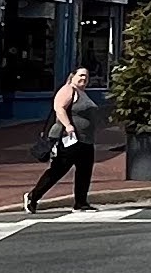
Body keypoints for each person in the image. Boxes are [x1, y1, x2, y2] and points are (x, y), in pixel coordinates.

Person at [26, 66, 101, 213]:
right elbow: (59, 108)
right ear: (72, 76)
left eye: (86, 76)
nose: (84, 79)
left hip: (86, 140)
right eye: (80, 75)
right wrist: (68, 125)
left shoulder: (82, 92)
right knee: (58, 170)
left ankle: (81, 203)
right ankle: (32, 197)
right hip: (69, 139)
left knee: (84, 172)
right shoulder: (68, 89)